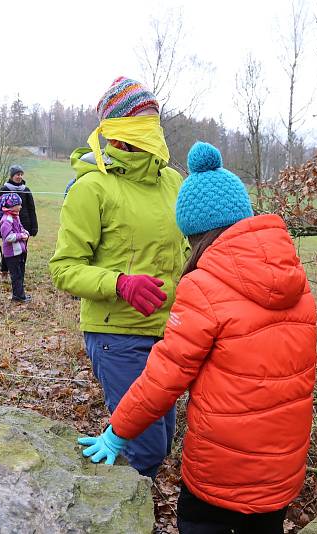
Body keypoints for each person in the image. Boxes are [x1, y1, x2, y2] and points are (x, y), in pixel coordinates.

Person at [77, 142, 317, 534]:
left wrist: (117, 432)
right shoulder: (297, 281)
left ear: (196, 233)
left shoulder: (204, 286)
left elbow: (163, 379)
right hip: (280, 474)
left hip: (219, 474)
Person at [49, 76, 188, 479]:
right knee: (146, 447)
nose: (154, 130)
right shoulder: (91, 188)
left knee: (163, 439)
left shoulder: (174, 183)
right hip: (117, 336)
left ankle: (117, 500)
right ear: (118, 130)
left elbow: (188, 251)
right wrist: (119, 283)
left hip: (170, 333)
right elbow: (64, 268)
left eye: (155, 120)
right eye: (144, 120)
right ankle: (104, 510)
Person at [0, 164, 38, 280]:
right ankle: (5, 271)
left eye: (21, 174)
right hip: (8, 224)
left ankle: (20, 273)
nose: (19, 177)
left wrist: (34, 226)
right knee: (8, 250)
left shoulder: (26, 190)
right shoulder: (4, 189)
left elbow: (31, 209)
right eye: (17, 174)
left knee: (22, 250)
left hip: (24, 224)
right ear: (12, 176)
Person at [0, 192, 31, 302]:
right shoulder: (7, 220)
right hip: (12, 254)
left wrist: (25, 232)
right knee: (16, 276)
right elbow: (8, 237)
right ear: (11, 206)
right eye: (19, 204)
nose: (21, 207)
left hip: (19, 251)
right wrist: (21, 236)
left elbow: (20, 228)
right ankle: (18, 297)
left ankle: (21, 294)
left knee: (20, 274)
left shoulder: (15, 217)